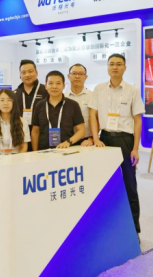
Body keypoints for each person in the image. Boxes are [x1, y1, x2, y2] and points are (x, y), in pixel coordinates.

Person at [89, 54, 145, 238]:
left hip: (125, 140)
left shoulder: (132, 90)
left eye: (119, 64)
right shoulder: (98, 89)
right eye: (111, 64)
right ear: (107, 67)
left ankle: (134, 230)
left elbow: (137, 120)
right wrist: (96, 138)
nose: (115, 67)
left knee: (130, 186)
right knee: (104, 185)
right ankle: (107, 229)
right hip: (104, 140)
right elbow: (93, 115)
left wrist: (135, 148)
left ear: (125, 68)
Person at [31, 71, 86, 151]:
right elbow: (35, 131)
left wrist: (68, 142)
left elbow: (82, 130)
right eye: (50, 83)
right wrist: (35, 152)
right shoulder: (39, 105)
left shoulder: (73, 105)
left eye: (58, 83)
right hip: (43, 151)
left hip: (66, 151)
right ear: (46, 86)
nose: (54, 87)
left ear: (63, 86)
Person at [67, 64, 94, 147]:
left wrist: (91, 139)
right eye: (74, 73)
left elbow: (96, 119)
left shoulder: (92, 96)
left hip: (86, 141)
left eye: (81, 74)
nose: (77, 76)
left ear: (85, 77)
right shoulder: (63, 97)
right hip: (67, 140)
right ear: (68, 76)